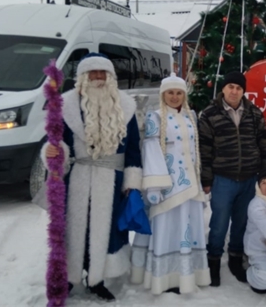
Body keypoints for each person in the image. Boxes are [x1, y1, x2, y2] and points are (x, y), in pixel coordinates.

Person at [43, 53, 143, 302]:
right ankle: (67, 278)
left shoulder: (126, 106)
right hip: (76, 178)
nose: (98, 78)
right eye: (93, 73)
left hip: (111, 180)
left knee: (105, 231)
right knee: (73, 229)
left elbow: (133, 149)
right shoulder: (65, 106)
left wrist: (132, 183)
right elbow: (59, 143)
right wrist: (54, 153)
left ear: (111, 77)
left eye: (103, 73)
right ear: (82, 77)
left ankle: (97, 279)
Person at [130, 73, 210, 294]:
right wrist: (155, 185)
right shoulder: (155, 117)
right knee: (167, 230)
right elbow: (151, 150)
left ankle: (186, 275)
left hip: (190, 186)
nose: (174, 97)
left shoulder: (191, 116)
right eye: (170, 93)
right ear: (163, 94)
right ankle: (164, 278)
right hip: (168, 186)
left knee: (187, 230)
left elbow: (196, 152)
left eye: (179, 93)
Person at [198, 70, 266, 286]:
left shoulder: (254, 113)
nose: (234, 91)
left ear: (243, 91)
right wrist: (206, 179)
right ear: (223, 89)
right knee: (219, 223)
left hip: (249, 178)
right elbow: (204, 149)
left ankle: (235, 258)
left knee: (241, 222)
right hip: (223, 178)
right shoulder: (210, 114)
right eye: (231, 86)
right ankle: (213, 260)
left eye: (239, 88)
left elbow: (265, 144)